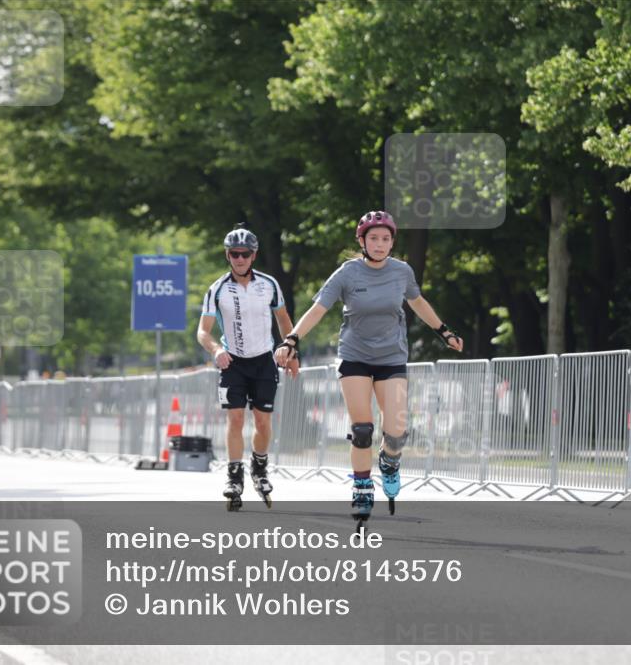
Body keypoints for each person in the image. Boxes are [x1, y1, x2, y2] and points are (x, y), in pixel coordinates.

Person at [273, 210, 463, 521]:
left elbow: (418, 302)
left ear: (392, 242)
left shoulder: (402, 272)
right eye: (373, 238)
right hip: (355, 356)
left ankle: (389, 461)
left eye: (385, 239)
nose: (379, 244)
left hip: (391, 357)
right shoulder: (347, 273)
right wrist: (291, 340)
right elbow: (318, 309)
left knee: (397, 432)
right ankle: (361, 486)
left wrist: (444, 331)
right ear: (362, 241)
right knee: (362, 430)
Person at [197, 224, 299, 510]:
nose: (239, 259)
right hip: (233, 362)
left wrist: (292, 351)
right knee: (236, 420)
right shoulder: (217, 289)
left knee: (263, 421)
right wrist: (216, 350)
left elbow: (284, 320)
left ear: (253, 256)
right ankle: (233, 476)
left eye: (245, 254)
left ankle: (259, 466)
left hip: (264, 360)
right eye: (234, 254)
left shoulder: (269, 284)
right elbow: (202, 331)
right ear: (227, 256)